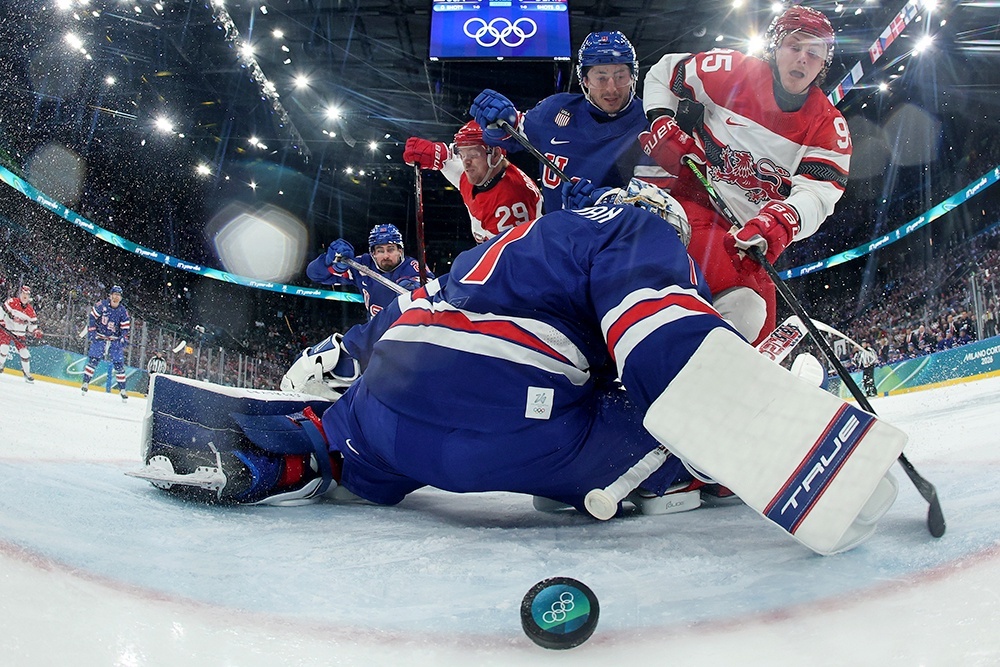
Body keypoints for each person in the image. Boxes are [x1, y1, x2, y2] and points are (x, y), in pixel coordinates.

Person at [136, 180, 903, 556]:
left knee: (354, 437)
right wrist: (775, 434)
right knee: (657, 415)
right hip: (509, 414)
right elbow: (658, 338)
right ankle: (674, 473)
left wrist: (343, 381)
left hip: (389, 399)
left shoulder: (501, 249)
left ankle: (284, 447)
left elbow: (396, 328)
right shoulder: (638, 226)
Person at [637, 4, 852, 345]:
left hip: (752, 240)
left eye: (814, 52)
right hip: (697, 206)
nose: (802, 59)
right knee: (748, 310)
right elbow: (664, 72)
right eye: (794, 46)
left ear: (824, 63)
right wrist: (662, 119)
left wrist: (782, 220)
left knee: (763, 329)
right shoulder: (732, 70)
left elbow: (819, 195)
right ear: (775, 47)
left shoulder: (828, 125)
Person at [470, 31, 656, 213]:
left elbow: (664, 203)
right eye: (601, 78)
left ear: (633, 76)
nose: (612, 88)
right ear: (584, 80)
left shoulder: (651, 123)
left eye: (620, 76)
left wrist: (611, 203)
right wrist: (499, 123)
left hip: (621, 240)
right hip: (559, 239)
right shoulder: (553, 110)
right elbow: (511, 136)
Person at [403, 120, 543, 244]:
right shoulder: (484, 172)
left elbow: (507, 262)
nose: (466, 162)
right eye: (462, 154)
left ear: (495, 153)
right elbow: (445, 159)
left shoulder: (513, 200)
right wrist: (435, 152)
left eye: (473, 154)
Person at [306, 223, 434, 321]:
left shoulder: (412, 266)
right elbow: (315, 274)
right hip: (376, 334)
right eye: (380, 250)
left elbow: (432, 291)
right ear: (373, 253)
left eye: (390, 249)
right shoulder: (363, 266)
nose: (386, 256)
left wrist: (414, 289)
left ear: (400, 250)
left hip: (407, 332)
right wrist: (331, 264)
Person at [81, 285, 131, 400]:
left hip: (114, 340)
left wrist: (123, 337)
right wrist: (92, 331)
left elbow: (125, 327)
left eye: (119, 295)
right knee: (94, 359)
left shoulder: (123, 311)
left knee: (119, 364)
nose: (116, 297)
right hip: (100, 337)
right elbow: (92, 318)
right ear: (110, 295)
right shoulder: (101, 305)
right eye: (115, 294)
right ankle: (85, 382)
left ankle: (122, 389)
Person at [0, 285, 43, 382]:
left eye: (27, 295)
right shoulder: (12, 302)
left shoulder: (31, 311)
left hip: (20, 334)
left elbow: (33, 327)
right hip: (7, 330)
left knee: (25, 353)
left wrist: (36, 332)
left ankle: (26, 373)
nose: (25, 296)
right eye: (23, 293)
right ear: (20, 294)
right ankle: (1, 364)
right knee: (4, 348)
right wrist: (1, 320)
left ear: (29, 297)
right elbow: (1, 310)